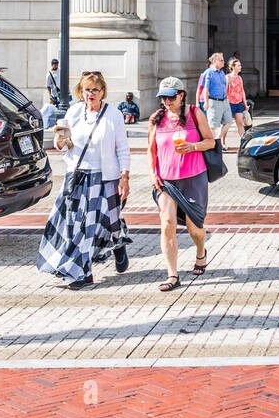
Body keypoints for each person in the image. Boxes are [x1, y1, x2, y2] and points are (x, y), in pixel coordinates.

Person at [38, 70, 132, 289]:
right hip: (77, 176)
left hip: (104, 178)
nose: (91, 94)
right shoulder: (73, 112)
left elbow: (123, 149)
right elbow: (62, 144)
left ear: (102, 92)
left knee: (105, 222)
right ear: (81, 91)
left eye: (95, 90)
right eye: (87, 90)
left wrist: (124, 177)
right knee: (78, 226)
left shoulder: (113, 115)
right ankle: (83, 272)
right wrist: (61, 142)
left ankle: (116, 245)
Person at [148, 76, 214, 292]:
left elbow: (210, 141)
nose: (166, 101)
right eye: (163, 97)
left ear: (181, 95)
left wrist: (193, 147)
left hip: (194, 178)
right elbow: (152, 150)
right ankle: (172, 275)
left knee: (194, 228)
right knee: (167, 224)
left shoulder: (195, 113)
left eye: (170, 97)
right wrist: (152, 173)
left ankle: (200, 252)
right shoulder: (156, 119)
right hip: (167, 180)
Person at [197, 52, 234, 141]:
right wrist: (206, 102)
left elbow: (224, 86)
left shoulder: (221, 72)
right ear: (215, 61)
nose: (223, 62)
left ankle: (217, 139)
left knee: (229, 122)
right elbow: (205, 89)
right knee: (213, 126)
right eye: (221, 60)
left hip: (224, 100)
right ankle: (212, 143)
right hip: (214, 101)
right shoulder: (208, 72)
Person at [225, 57, 247, 145]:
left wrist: (245, 104)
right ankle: (222, 142)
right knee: (227, 124)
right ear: (233, 67)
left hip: (238, 103)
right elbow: (225, 91)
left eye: (240, 65)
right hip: (230, 103)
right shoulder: (227, 77)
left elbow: (242, 91)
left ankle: (244, 142)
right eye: (238, 65)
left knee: (240, 123)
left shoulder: (239, 78)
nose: (240, 67)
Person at [42, 59, 62, 128]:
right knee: (55, 109)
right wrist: (50, 95)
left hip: (62, 93)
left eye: (57, 64)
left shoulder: (60, 71)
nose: (56, 66)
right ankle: (54, 123)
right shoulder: (49, 74)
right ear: (52, 65)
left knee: (62, 108)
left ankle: (60, 123)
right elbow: (48, 86)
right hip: (55, 94)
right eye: (55, 64)